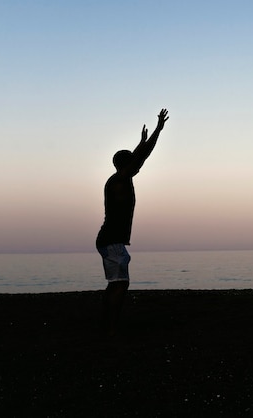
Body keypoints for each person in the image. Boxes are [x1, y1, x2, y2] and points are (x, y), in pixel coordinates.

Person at [96, 108, 169, 335]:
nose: (137, 167)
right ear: (127, 166)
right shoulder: (121, 180)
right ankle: (111, 328)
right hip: (112, 241)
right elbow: (142, 158)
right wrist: (158, 130)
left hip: (109, 240)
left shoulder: (118, 177)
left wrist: (142, 142)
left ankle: (108, 324)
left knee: (115, 283)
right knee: (120, 284)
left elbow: (137, 157)